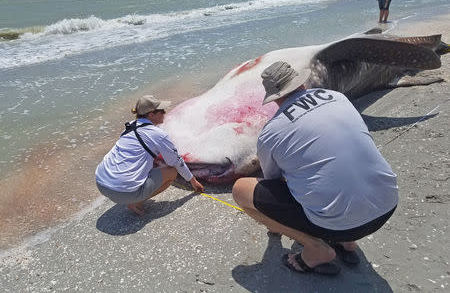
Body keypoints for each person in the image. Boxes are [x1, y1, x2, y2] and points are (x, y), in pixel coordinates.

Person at [232, 61, 398, 275]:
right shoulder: (338, 98)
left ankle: (315, 249)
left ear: (274, 98)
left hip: (337, 223)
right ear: (301, 83)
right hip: (387, 204)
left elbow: (272, 180)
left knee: (240, 189)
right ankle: (348, 243)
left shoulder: (271, 132)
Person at [95, 95, 204, 215]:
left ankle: (131, 195)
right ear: (151, 114)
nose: (164, 112)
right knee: (172, 172)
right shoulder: (158, 134)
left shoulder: (129, 126)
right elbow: (176, 162)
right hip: (124, 193)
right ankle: (136, 202)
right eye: (161, 111)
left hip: (101, 183)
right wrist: (193, 181)